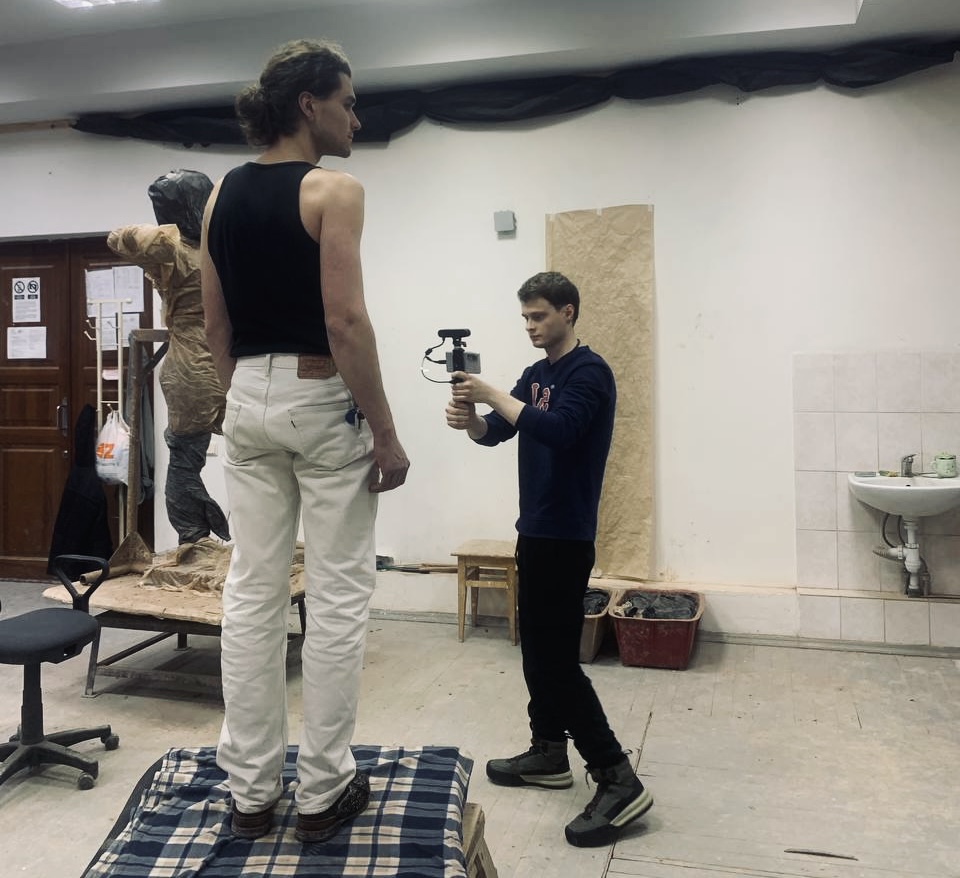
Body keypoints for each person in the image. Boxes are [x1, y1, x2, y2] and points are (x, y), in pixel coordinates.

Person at [200, 38, 410, 843]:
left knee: (252, 593)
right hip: (321, 396)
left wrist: (247, 398)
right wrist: (385, 432)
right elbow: (345, 320)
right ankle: (323, 792)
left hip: (245, 398)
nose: (357, 118)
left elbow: (215, 326)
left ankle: (250, 793)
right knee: (337, 594)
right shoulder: (334, 190)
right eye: (348, 103)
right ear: (308, 104)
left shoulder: (220, 197)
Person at [445, 271, 653, 848]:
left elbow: (559, 431)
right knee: (537, 651)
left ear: (568, 312)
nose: (531, 327)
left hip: (566, 535)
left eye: (538, 316)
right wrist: (472, 422)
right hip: (534, 529)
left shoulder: (590, 372)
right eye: (525, 318)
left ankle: (617, 776)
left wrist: (492, 395)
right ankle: (548, 751)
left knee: (559, 661)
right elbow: (499, 431)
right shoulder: (535, 375)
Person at [108, 169, 230, 545]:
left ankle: (222, 534)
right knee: (186, 456)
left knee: (252, 453)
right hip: (193, 366)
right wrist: (171, 232)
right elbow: (118, 238)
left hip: (232, 360)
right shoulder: (174, 250)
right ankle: (193, 537)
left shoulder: (219, 247)